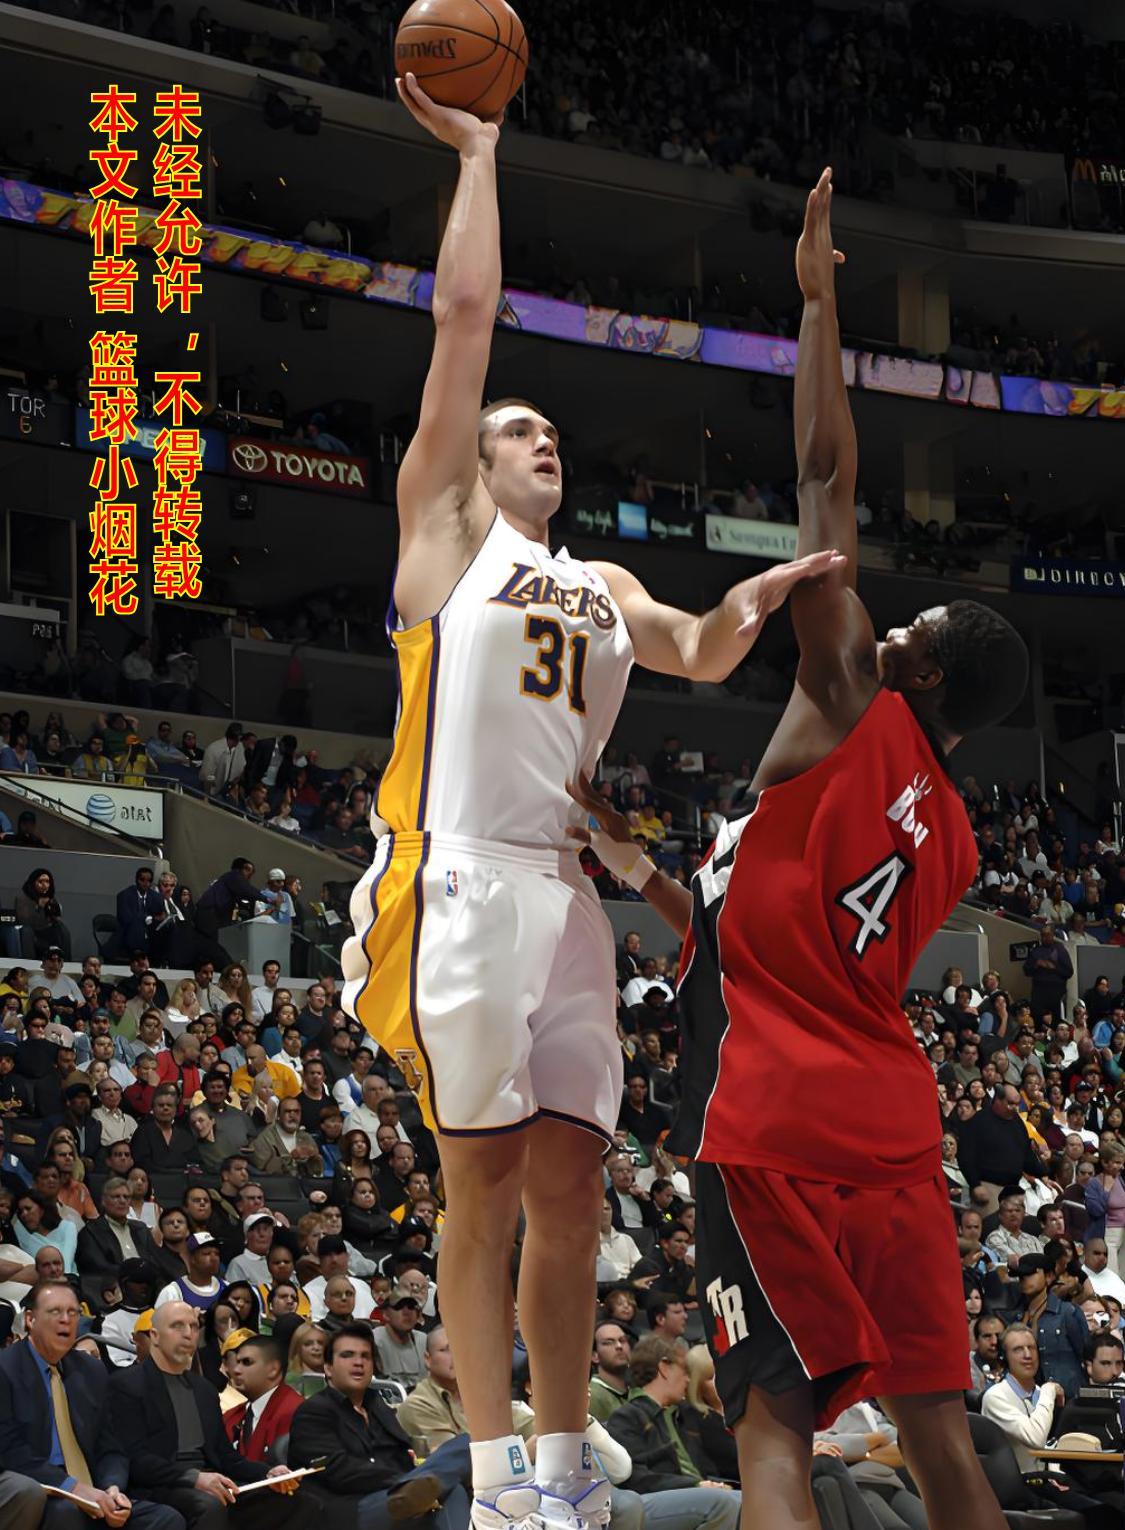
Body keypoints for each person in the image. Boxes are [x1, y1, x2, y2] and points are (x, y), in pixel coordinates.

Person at [338, 73, 839, 1530]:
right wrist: (480, 156)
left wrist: (754, 597)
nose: (540, 439)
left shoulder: (606, 582)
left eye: (551, 431)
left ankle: (564, 1478)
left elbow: (701, 649)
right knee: (481, 1186)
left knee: (571, 1192)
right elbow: (464, 322)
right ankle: (496, 1481)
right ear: (474, 461)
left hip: (565, 900)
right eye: (518, 430)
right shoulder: (446, 534)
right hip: (457, 877)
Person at [626, 174, 1029, 1530]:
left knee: (772, 1438)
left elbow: (821, 478)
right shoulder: (955, 836)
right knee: (939, 1439)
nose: (889, 620)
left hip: (776, 1115)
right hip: (895, 1128)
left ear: (918, 666)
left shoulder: (853, 692)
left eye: (913, 625)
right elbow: (767, 916)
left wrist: (814, 303)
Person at [109, 1301, 314, 1528]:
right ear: (155, 1336)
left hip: (212, 1480)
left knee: (300, 1501)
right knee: (209, 1505)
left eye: (194, 1326)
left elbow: (227, 1457)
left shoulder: (204, 1390)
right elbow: (136, 1460)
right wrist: (194, 1478)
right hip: (161, 1486)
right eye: (177, 1326)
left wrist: (268, 1474)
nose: (188, 1333)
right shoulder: (127, 1385)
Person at [0, 1277, 183, 1529]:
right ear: (30, 1319)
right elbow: (9, 1451)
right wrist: (73, 1488)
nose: (66, 1319)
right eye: (55, 1312)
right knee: (66, 1512)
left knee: (166, 1519)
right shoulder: (5, 1369)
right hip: (44, 1489)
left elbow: (110, 1446)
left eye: (73, 1312)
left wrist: (112, 1488)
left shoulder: (91, 1370)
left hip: (94, 1491)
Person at [287, 1321, 471, 1530]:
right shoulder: (313, 1411)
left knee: (461, 1458)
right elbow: (338, 1472)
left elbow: (402, 1452)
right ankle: (412, 1492)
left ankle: (414, 1493)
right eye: (347, 1355)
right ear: (328, 1368)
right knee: (439, 1485)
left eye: (365, 1356)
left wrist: (412, 1479)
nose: (358, 1362)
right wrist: (403, 1481)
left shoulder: (377, 1405)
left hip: (397, 1493)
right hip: (349, 1508)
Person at [603, 1337, 739, 1529]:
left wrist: (713, 1484)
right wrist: (695, 1485)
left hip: (696, 1492)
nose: (688, 1379)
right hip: (653, 1500)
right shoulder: (626, 1418)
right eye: (684, 1371)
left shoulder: (683, 1415)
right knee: (725, 1503)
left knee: (750, 1501)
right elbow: (636, 1478)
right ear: (664, 1368)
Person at [222, 1336, 302, 1465]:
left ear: (273, 1370)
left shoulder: (296, 1412)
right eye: (237, 1362)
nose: (236, 1370)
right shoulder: (231, 1417)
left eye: (247, 1362)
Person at [372, 1293, 427, 1388]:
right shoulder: (373, 1340)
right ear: (385, 1314)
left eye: (411, 1307)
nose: (407, 1312)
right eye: (399, 1306)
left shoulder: (424, 1340)